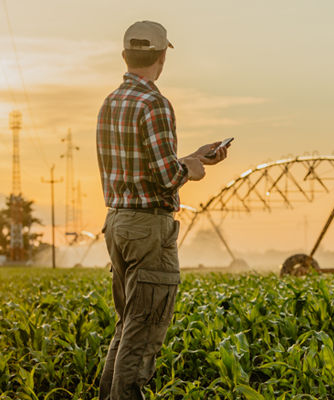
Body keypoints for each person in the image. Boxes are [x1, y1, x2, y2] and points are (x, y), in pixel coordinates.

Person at [96, 21, 228, 399]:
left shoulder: (112, 102)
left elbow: (141, 166)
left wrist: (189, 155)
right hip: (148, 227)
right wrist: (193, 168)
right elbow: (166, 176)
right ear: (161, 57)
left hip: (118, 222)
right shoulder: (154, 103)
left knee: (128, 326)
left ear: (125, 56)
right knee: (146, 329)